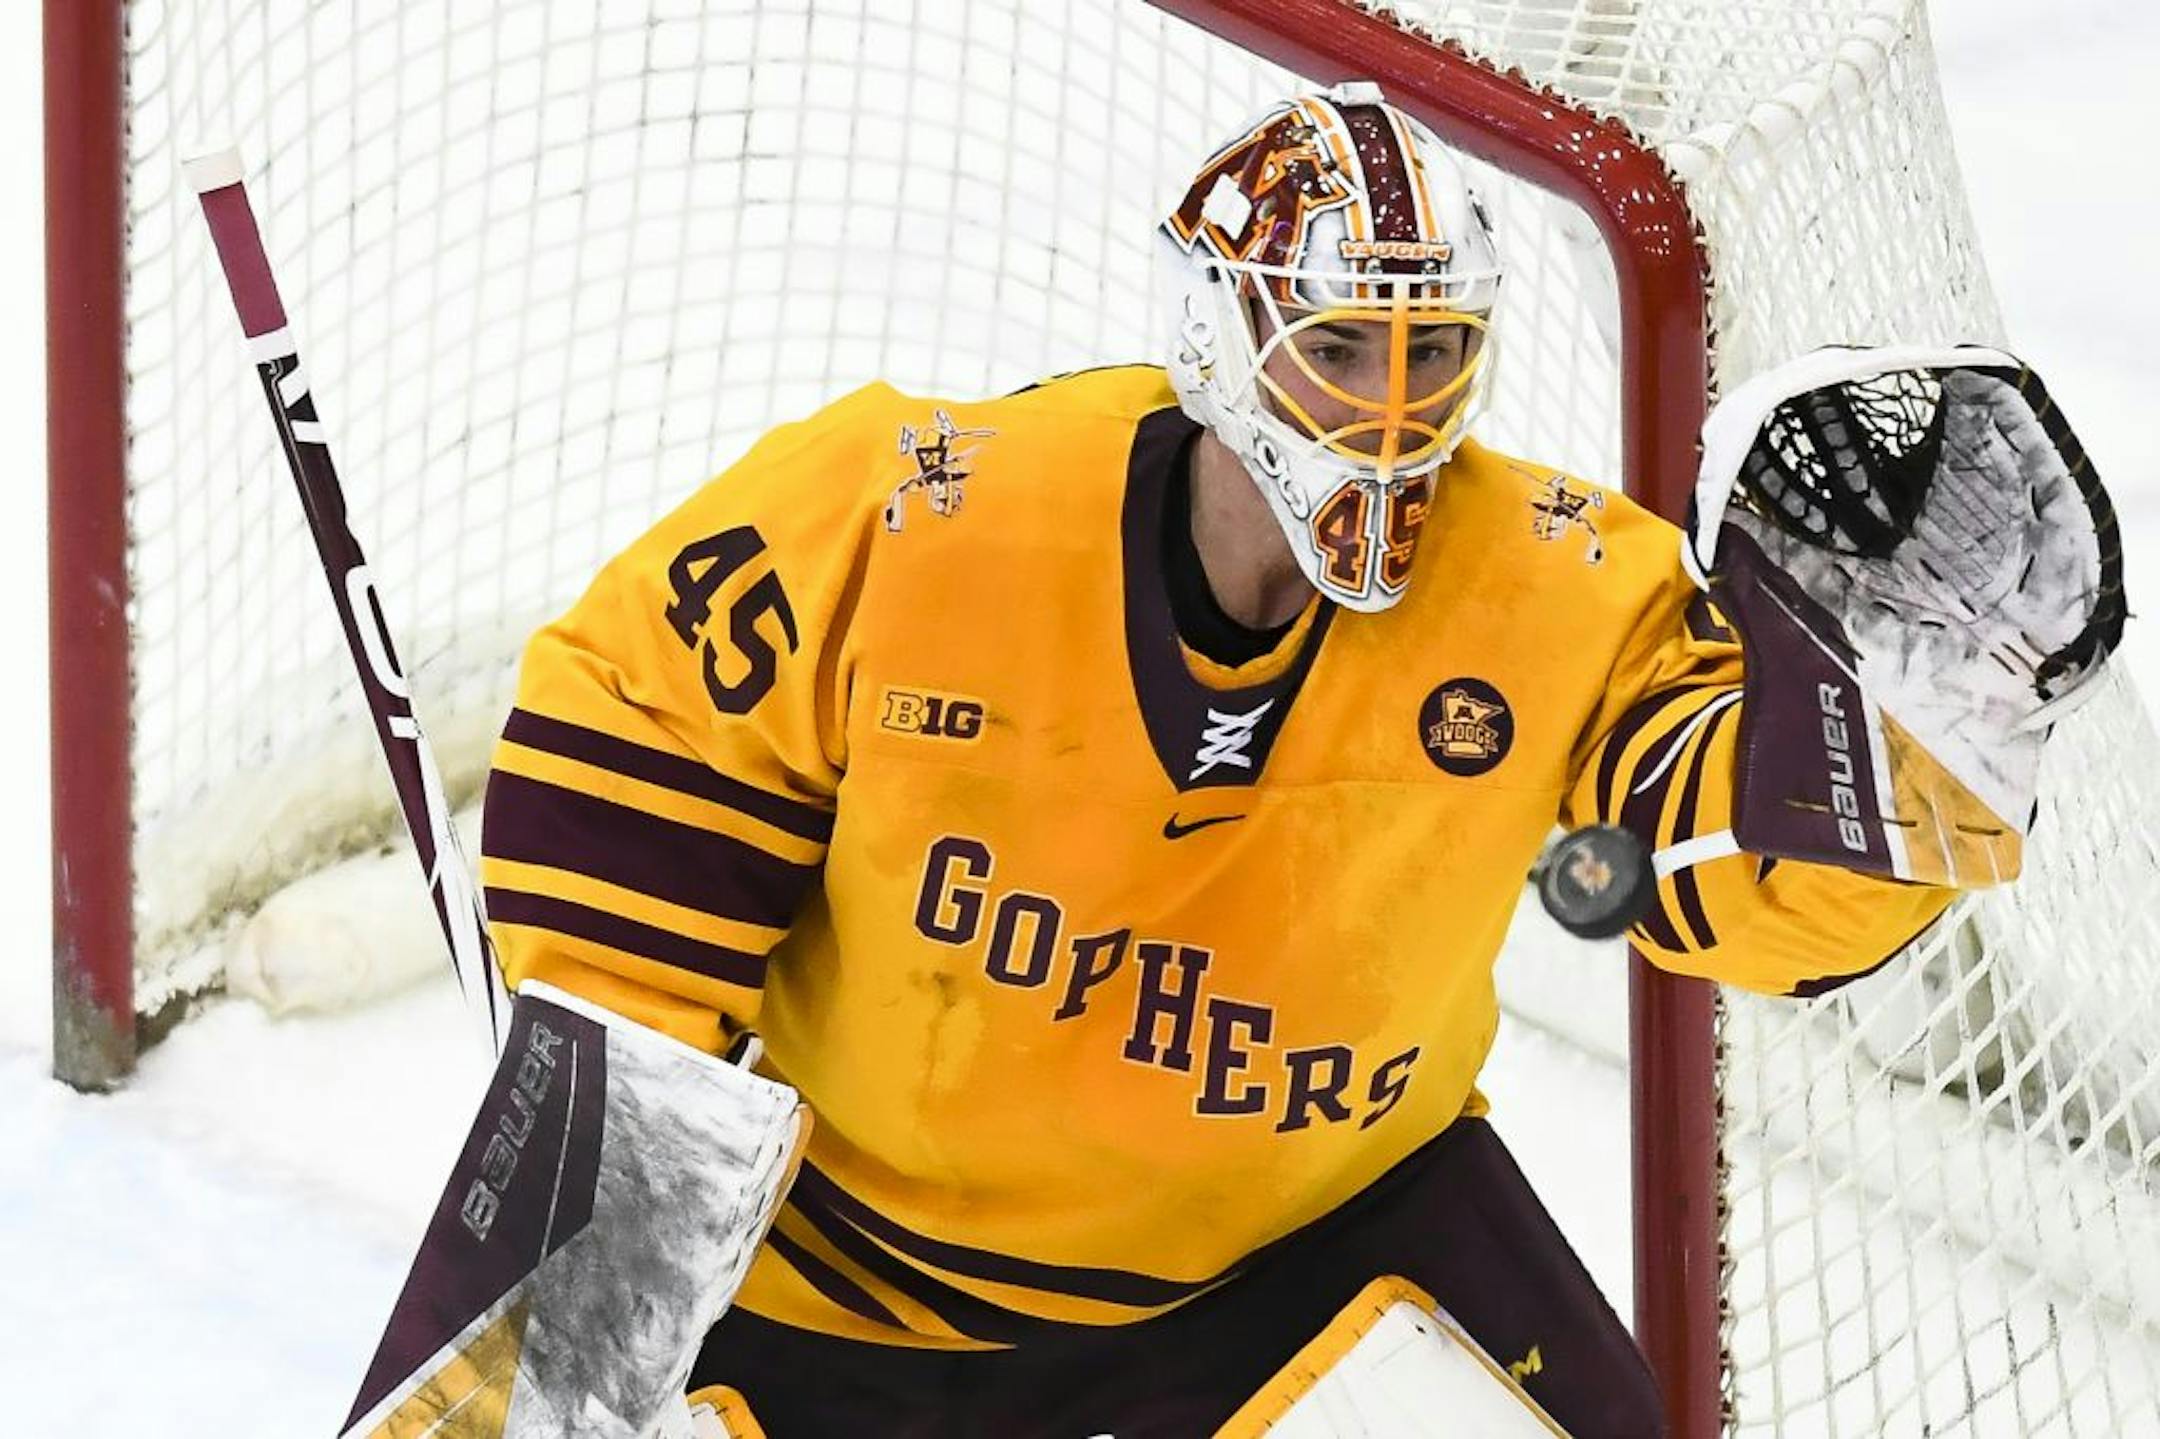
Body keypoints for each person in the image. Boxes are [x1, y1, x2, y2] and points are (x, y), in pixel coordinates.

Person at [346, 83, 2120, 1439]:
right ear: (1220, 333)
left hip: (1319, 1252)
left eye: (1437, 354)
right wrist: (613, 1128)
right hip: (853, 1283)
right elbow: (635, 715)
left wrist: (1904, 773)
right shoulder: (921, 513)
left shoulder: (1560, 581)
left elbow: (1726, 889)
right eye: (1344, 344)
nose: (1392, 410)